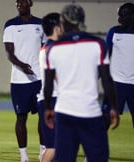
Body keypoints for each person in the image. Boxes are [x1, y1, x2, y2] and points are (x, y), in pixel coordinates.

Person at [44, 4, 120, 162]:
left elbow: (49, 85)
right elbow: (107, 80)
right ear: (81, 20)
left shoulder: (53, 49)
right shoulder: (98, 44)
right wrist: (113, 107)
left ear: (62, 22)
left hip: (64, 113)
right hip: (90, 113)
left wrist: (47, 108)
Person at [3, 0, 46, 161]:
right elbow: (9, 53)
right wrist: (22, 66)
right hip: (19, 81)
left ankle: (43, 152)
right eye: (17, 2)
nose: (19, 4)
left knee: (43, 116)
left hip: (39, 79)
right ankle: (24, 156)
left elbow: (45, 48)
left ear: (30, 3)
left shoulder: (41, 24)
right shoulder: (10, 25)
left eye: (23, 1)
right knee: (21, 118)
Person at [102, 2, 134, 128]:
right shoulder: (113, 32)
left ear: (132, 16)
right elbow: (105, 57)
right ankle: (97, 147)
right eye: (119, 15)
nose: (119, 19)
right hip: (115, 84)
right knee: (105, 120)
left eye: (123, 15)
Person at [37, 12, 62, 162]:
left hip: (49, 99)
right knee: (54, 147)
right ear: (57, 28)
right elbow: (59, 76)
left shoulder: (46, 47)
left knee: (55, 146)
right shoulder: (53, 49)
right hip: (53, 100)